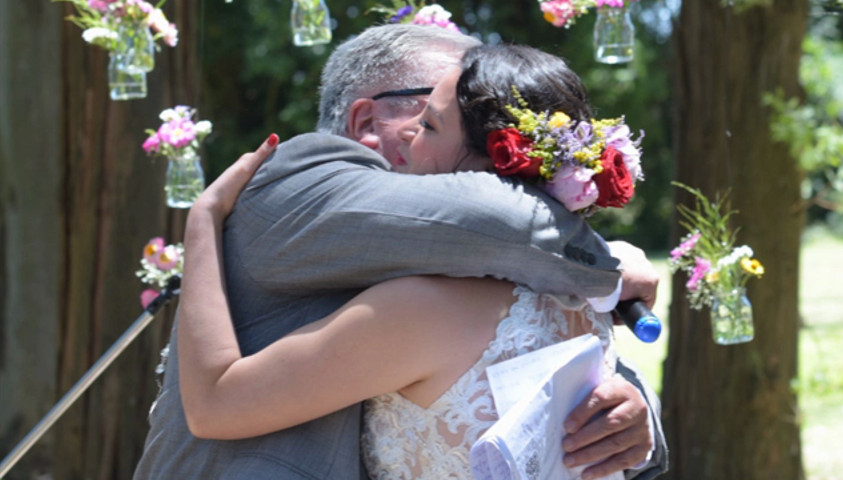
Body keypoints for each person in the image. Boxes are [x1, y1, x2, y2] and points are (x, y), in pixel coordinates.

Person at [133, 24, 666, 480]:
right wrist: (608, 259)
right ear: (365, 122)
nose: (415, 141)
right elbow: (496, 218)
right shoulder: (302, 182)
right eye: (423, 114)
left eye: (432, 124)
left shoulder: (459, 292)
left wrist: (633, 417)